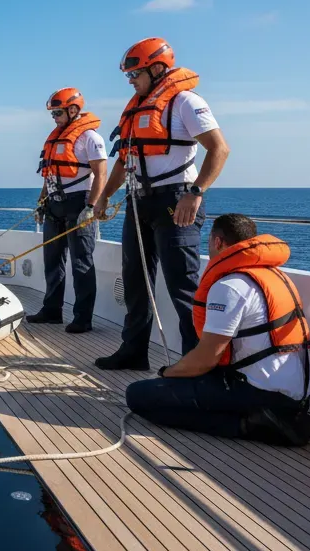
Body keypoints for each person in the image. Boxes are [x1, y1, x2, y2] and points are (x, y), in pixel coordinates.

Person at [93, 38, 230, 370]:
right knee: (135, 282)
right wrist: (105, 196)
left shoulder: (184, 101)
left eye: (135, 74)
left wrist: (194, 193)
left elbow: (220, 149)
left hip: (176, 201)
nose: (131, 81)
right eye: (128, 76)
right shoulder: (137, 108)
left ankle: (194, 364)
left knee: (182, 286)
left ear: (157, 68)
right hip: (138, 203)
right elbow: (125, 162)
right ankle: (134, 351)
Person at [125, 214, 310, 446]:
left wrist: (167, 372)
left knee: (138, 395)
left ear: (217, 242)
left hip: (259, 392)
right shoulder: (276, 276)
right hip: (297, 395)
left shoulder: (229, 286)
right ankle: (269, 416)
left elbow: (205, 360)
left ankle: (249, 425)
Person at [26, 88, 108, 333]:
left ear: (73, 110)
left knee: (81, 262)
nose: (54, 117)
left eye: (58, 112)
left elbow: (101, 174)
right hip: (54, 204)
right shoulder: (55, 138)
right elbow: (49, 175)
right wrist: (42, 201)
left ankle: (83, 318)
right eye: (52, 113)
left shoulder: (90, 138)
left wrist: (91, 207)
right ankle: (52, 310)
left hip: (78, 203)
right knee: (52, 260)